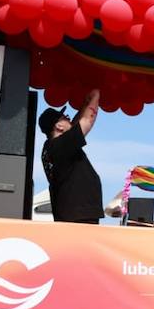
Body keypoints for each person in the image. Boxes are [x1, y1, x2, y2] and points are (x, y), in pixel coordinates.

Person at [39, 90, 103, 223]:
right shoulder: (61, 145)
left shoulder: (51, 147)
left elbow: (74, 124)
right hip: (79, 217)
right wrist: (96, 94)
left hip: (72, 214)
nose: (69, 118)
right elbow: (87, 121)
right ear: (59, 126)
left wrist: (86, 103)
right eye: (65, 117)